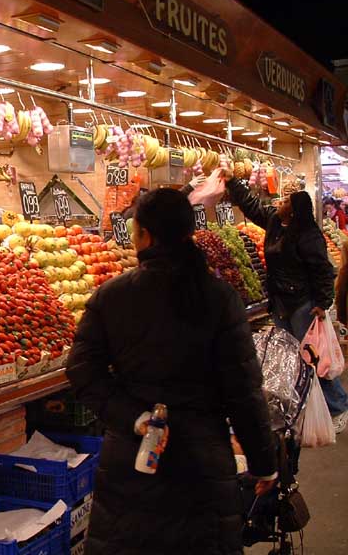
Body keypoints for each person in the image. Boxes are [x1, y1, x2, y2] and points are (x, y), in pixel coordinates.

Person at [66, 188, 277, 555]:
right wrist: (263, 462)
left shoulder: (111, 296)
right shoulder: (219, 297)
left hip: (133, 464)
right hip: (203, 465)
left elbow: (83, 371)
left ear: (144, 235)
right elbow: (243, 390)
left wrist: (134, 418)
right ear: (188, 233)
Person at [221, 165, 348, 433]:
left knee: (315, 357)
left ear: (295, 208)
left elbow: (323, 269)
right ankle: (299, 407)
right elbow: (252, 206)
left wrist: (323, 303)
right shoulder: (275, 223)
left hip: (304, 305)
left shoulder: (308, 234)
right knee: (290, 358)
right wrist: (233, 182)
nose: (280, 202)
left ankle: (338, 406)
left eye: (286, 201)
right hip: (280, 302)